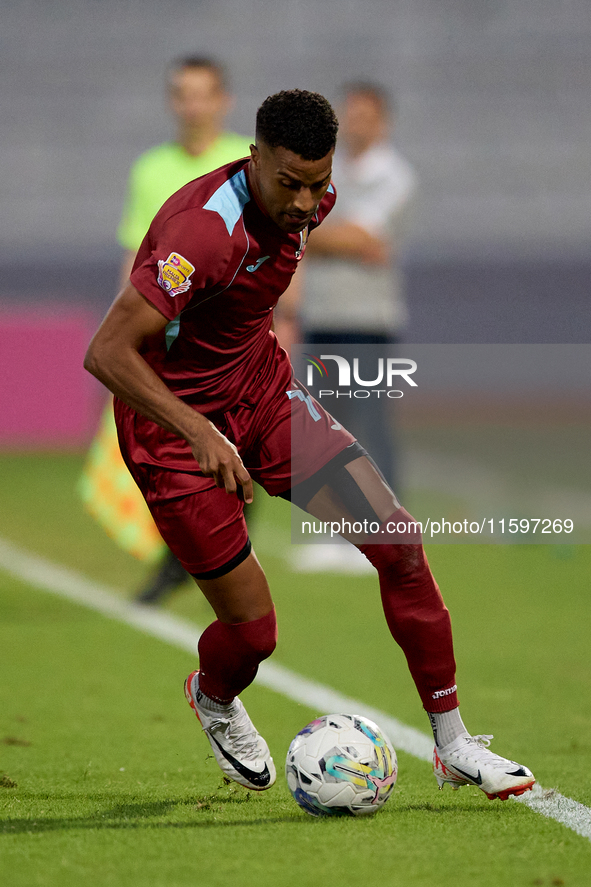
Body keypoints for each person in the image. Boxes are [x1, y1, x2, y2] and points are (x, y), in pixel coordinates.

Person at [84, 89, 535, 800]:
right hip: (174, 434)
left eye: (317, 184)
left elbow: (263, 280)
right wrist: (199, 430)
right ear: (255, 157)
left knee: (399, 544)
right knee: (254, 633)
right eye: (288, 183)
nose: (303, 202)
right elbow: (107, 351)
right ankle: (212, 695)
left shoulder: (312, 201)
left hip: (263, 397)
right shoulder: (199, 231)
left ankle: (452, 744)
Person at [79, 56, 252, 604]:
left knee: (237, 447)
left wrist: (287, 318)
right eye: (182, 93)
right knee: (173, 445)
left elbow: (282, 244)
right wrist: (120, 333)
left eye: (203, 93)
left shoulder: (248, 160)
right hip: (168, 334)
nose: (192, 104)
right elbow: (137, 254)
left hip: (236, 334)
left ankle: (205, 564)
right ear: (172, 101)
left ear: (222, 100)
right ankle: (181, 560)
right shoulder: (151, 168)